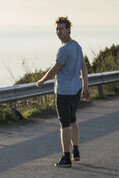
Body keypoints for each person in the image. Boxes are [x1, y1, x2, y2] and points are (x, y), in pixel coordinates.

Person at [36, 16, 90, 168]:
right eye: (57, 29)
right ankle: (76, 151)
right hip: (76, 90)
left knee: (64, 125)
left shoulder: (64, 49)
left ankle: (66, 157)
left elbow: (55, 69)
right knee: (73, 121)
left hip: (64, 92)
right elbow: (83, 67)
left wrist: (42, 80)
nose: (59, 32)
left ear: (68, 29)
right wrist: (85, 86)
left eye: (61, 29)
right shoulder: (77, 46)